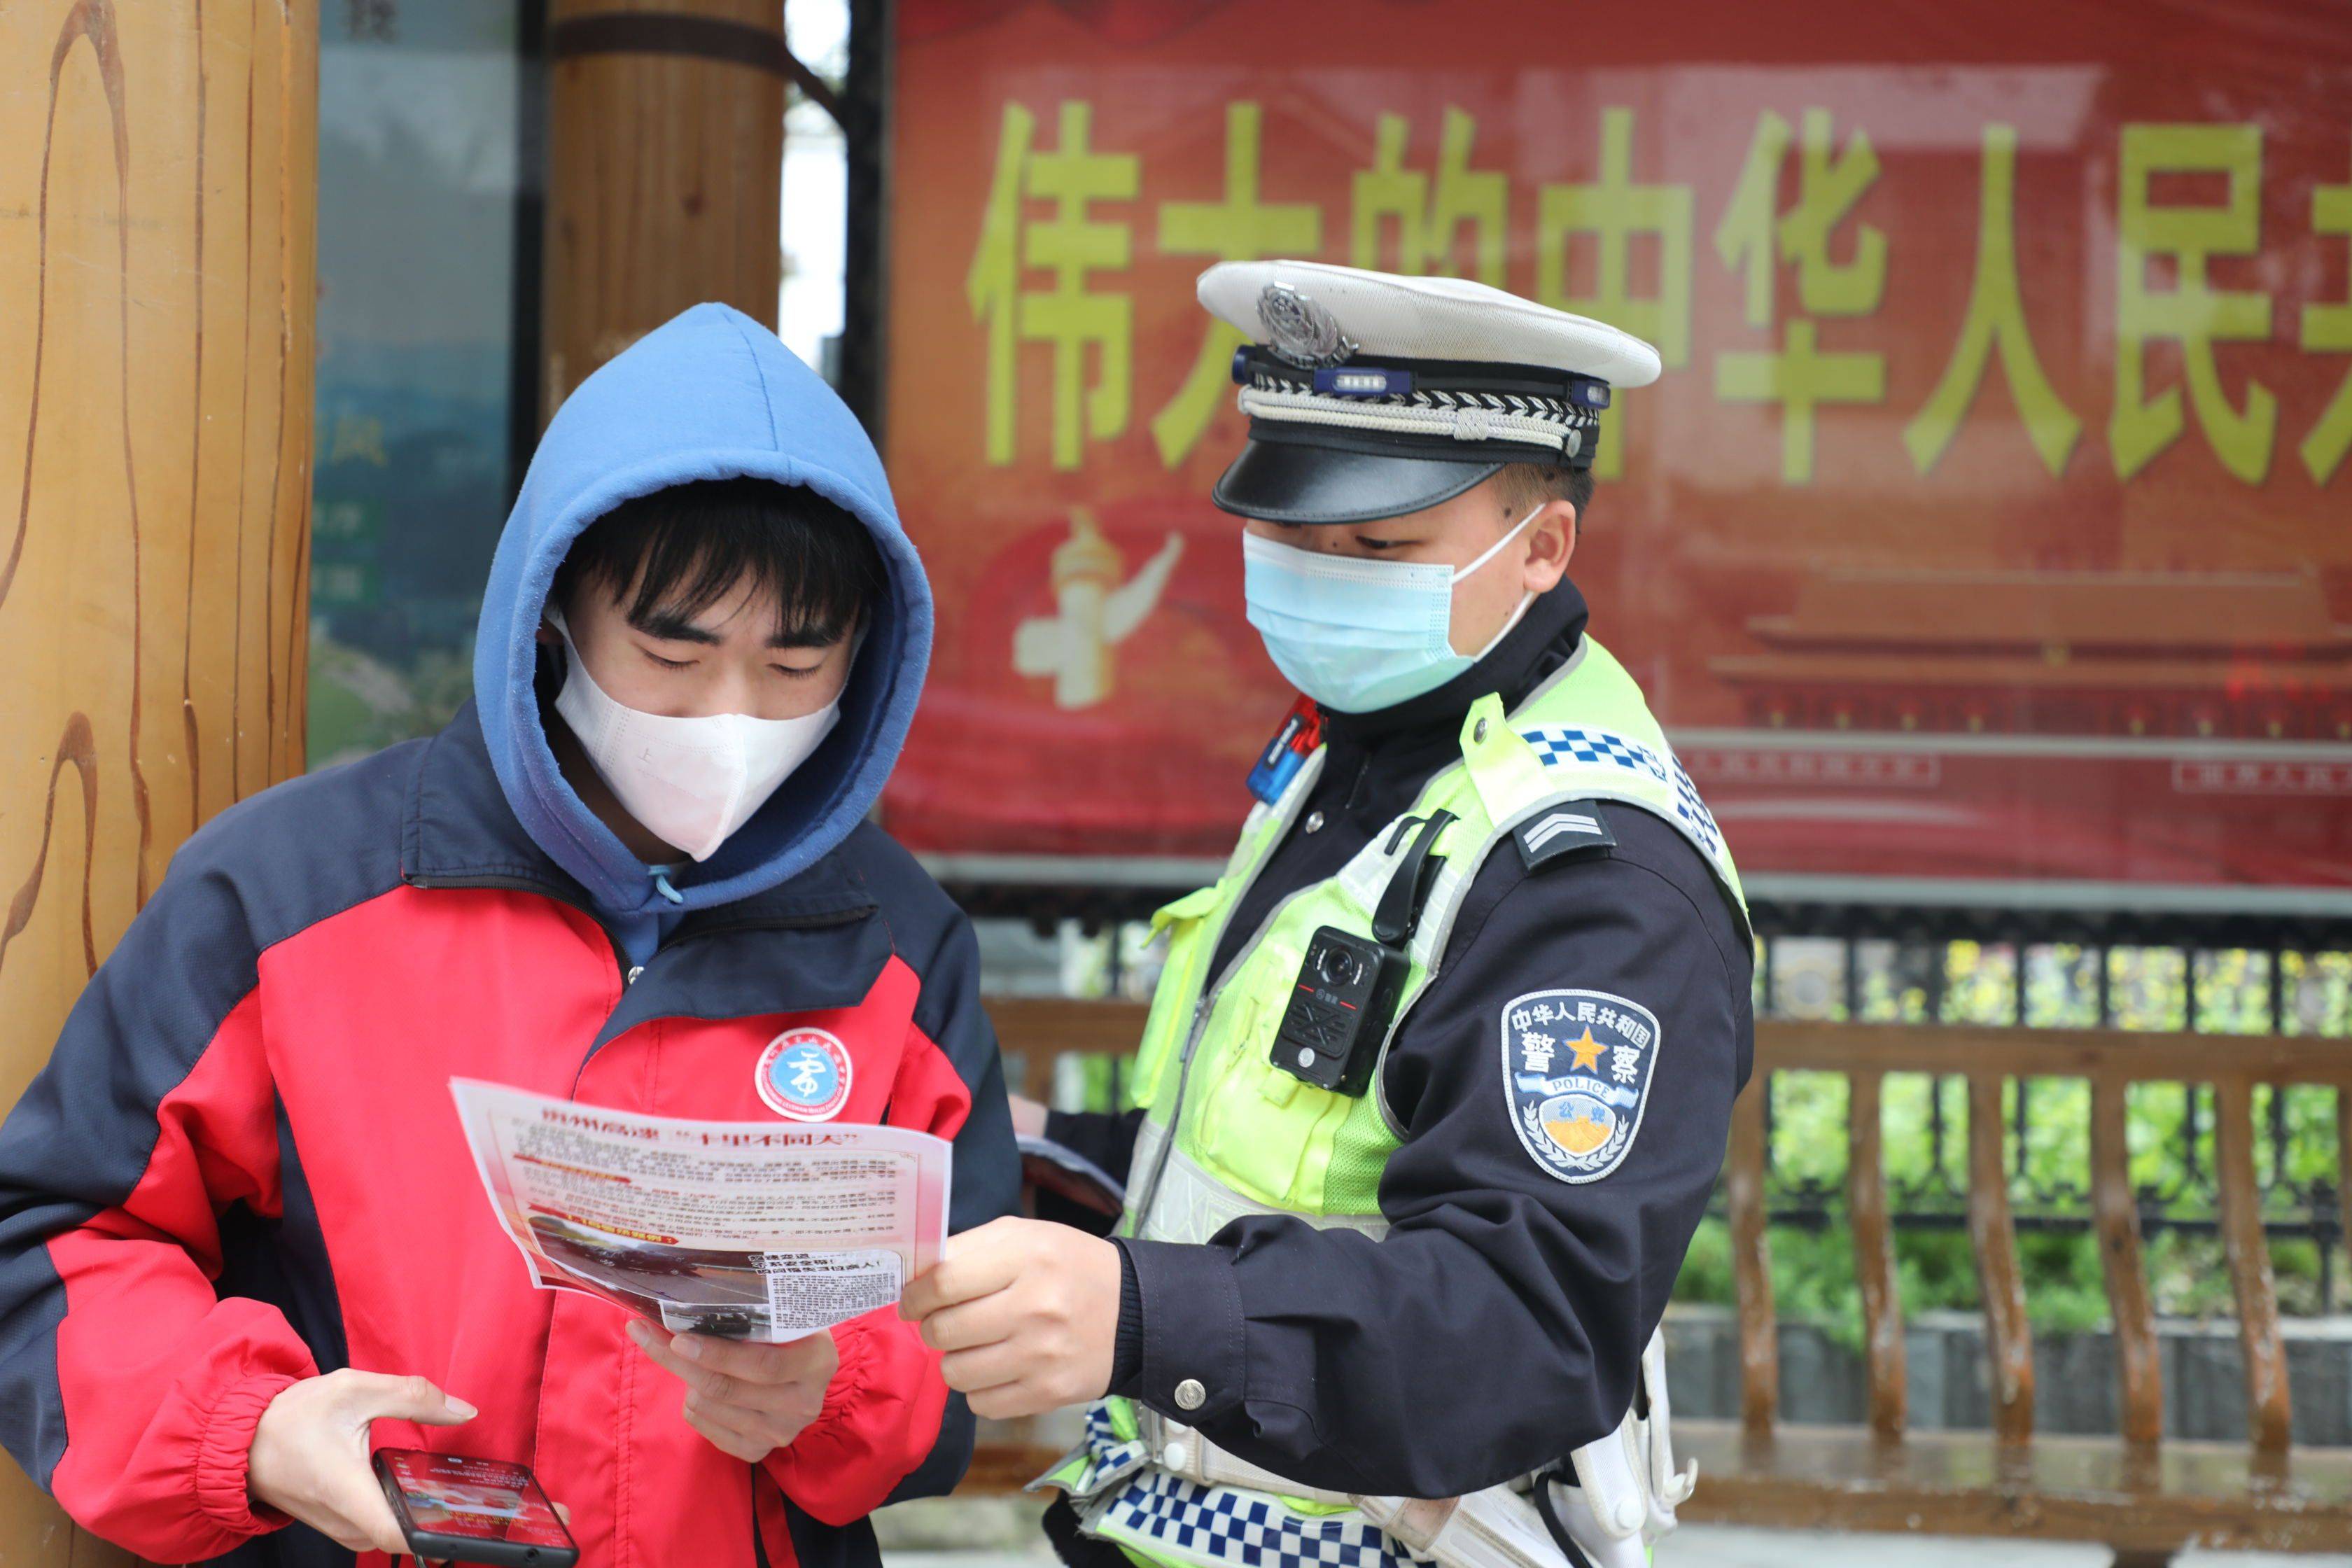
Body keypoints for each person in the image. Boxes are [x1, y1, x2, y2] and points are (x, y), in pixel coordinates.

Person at [0, 303, 1018, 1568]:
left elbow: (968, 1341)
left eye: (797, 663)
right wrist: (247, 1427)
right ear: (554, 609)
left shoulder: (901, 950)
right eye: (669, 651)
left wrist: (840, 1391)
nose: (730, 714)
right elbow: (55, 1236)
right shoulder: (289, 895)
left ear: (871, 655)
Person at [901, 261, 1753, 1568]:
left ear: (1541, 547)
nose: (1318, 578)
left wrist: (1140, 1314)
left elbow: (1530, 1320)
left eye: (1377, 548)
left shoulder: (1594, 879)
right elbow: (1303, 1155)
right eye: (1291, 534)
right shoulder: (1370, 751)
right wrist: (1043, 1153)